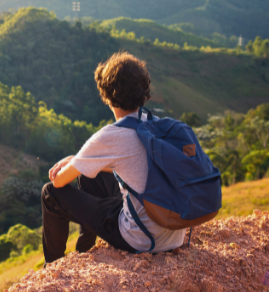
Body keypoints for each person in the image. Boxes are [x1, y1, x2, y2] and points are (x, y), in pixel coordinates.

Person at [40, 51, 186, 264]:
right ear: (143, 90)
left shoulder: (110, 136)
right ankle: (85, 251)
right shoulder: (154, 124)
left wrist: (74, 163)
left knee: (49, 194)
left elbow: (59, 181)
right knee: (92, 174)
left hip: (141, 238)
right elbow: (139, 167)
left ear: (107, 97)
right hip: (173, 234)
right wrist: (78, 160)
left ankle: (51, 267)